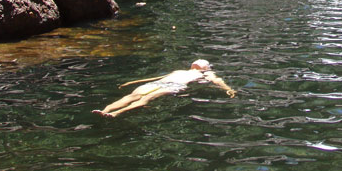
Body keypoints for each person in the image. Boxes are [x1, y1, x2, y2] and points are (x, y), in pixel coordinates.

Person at [93, 59, 236, 117]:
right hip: (172, 86)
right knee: (143, 99)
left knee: (133, 96)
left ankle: (108, 111)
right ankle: (111, 112)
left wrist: (133, 82)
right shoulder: (205, 73)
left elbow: (153, 78)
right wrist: (229, 89)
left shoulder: (181, 71)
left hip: (164, 83)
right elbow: (217, 81)